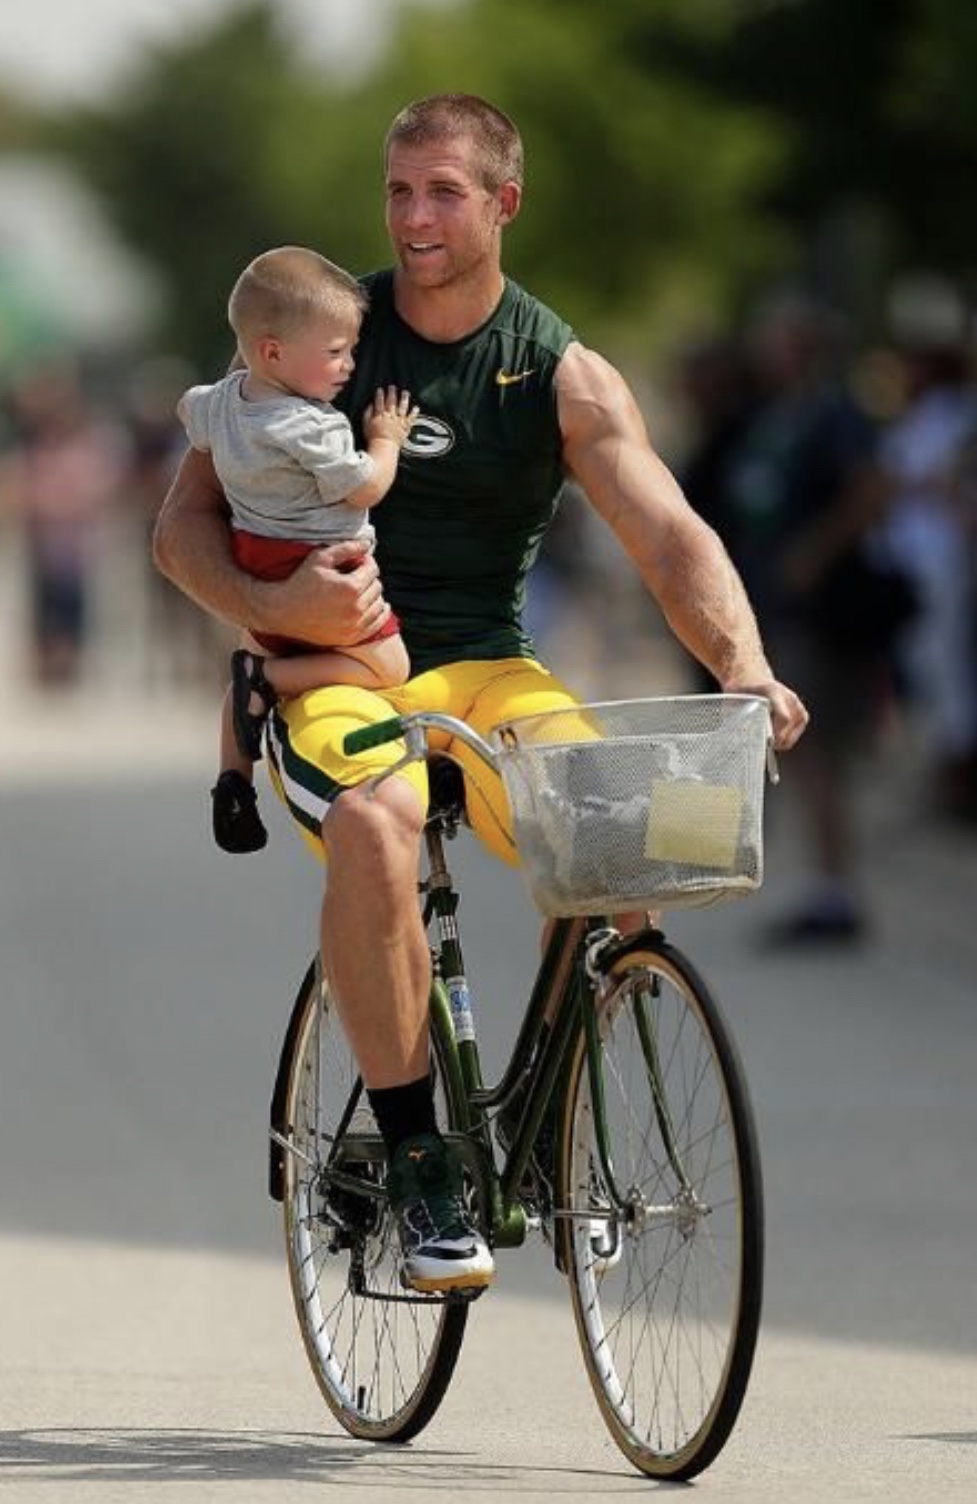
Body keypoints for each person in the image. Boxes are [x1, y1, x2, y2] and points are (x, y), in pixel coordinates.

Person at [155, 94, 808, 1293]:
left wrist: (744, 667)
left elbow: (667, 534)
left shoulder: (558, 370)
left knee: (629, 826)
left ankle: (567, 1117)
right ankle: (421, 1169)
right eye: (398, 191)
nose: (413, 218)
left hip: (490, 665)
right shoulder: (315, 339)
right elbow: (178, 531)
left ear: (503, 201)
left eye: (443, 192)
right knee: (375, 822)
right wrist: (290, 611)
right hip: (351, 670)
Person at [176, 246, 415, 854]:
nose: (348, 365)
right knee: (390, 669)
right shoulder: (312, 425)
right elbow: (365, 484)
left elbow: (189, 409)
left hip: (257, 555)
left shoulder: (219, 401)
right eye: (336, 353)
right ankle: (275, 676)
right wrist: (386, 439)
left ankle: (233, 779)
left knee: (250, 649)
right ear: (273, 352)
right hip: (327, 562)